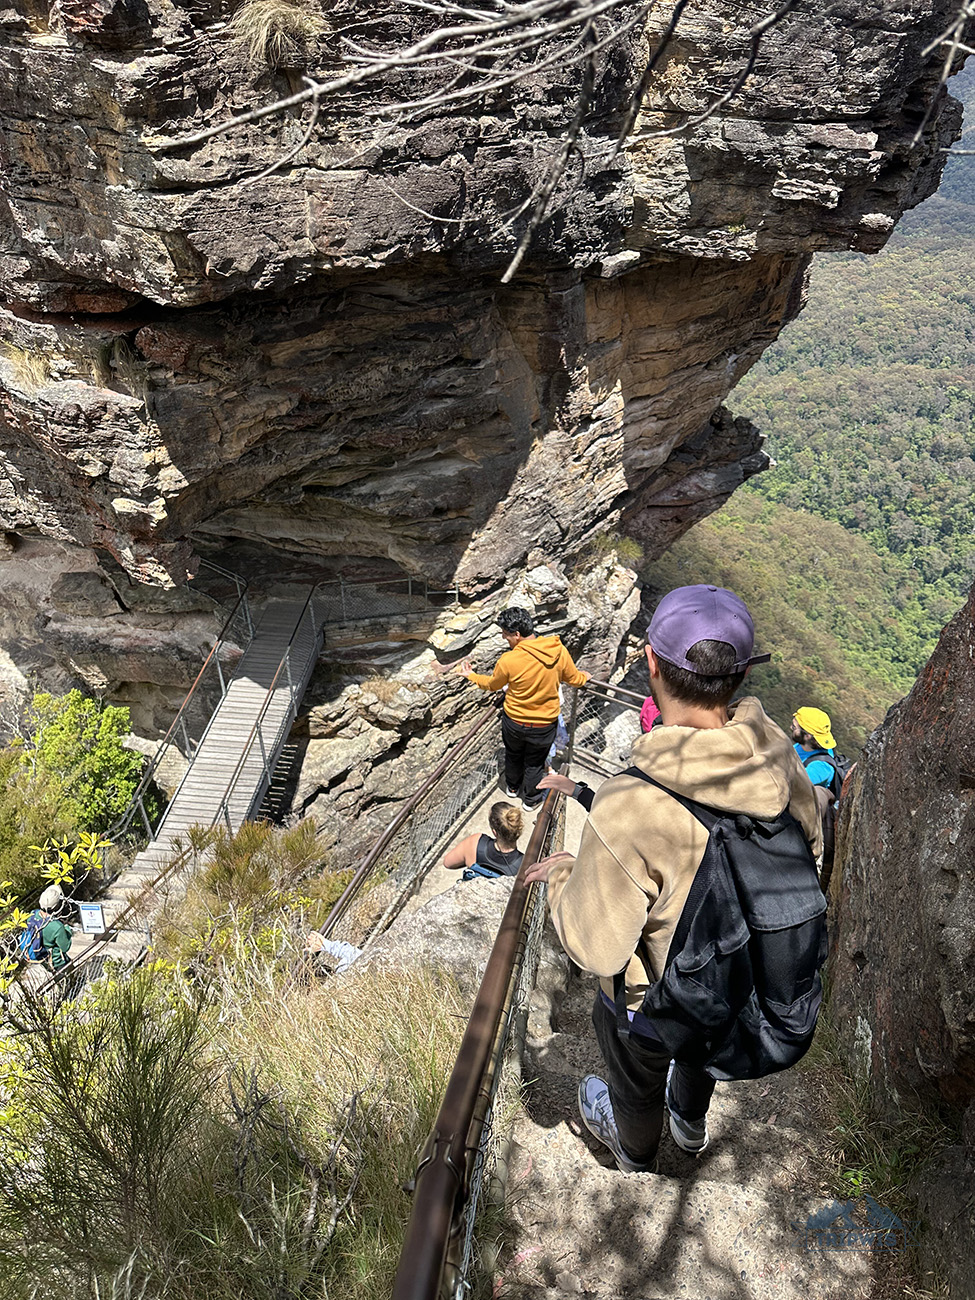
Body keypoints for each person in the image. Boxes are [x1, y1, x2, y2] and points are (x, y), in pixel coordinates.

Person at [524, 584, 822, 1173]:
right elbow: (810, 843)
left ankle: (635, 1151)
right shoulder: (780, 755)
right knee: (704, 1028)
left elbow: (596, 946)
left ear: (653, 666)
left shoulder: (630, 802)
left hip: (654, 1001)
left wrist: (564, 875)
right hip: (741, 980)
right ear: (738, 677)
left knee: (637, 1069)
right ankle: (688, 1124)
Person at [458, 607, 589, 812]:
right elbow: (574, 679)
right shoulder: (557, 650)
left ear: (517, 635)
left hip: (514, 722)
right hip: (544, 725)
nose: (504, 637)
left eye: (506, 634)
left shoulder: (509, 660)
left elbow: (492, 684)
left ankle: (512, 787)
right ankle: (530, 800)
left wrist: (472, 676)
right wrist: (585, 677)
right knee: (535, 763)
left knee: (513, 754)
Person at [443, 802, 524, 878]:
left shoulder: (475, 843)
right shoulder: (524, 864)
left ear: (494, 832)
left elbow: (448, 863)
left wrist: (468, 860)